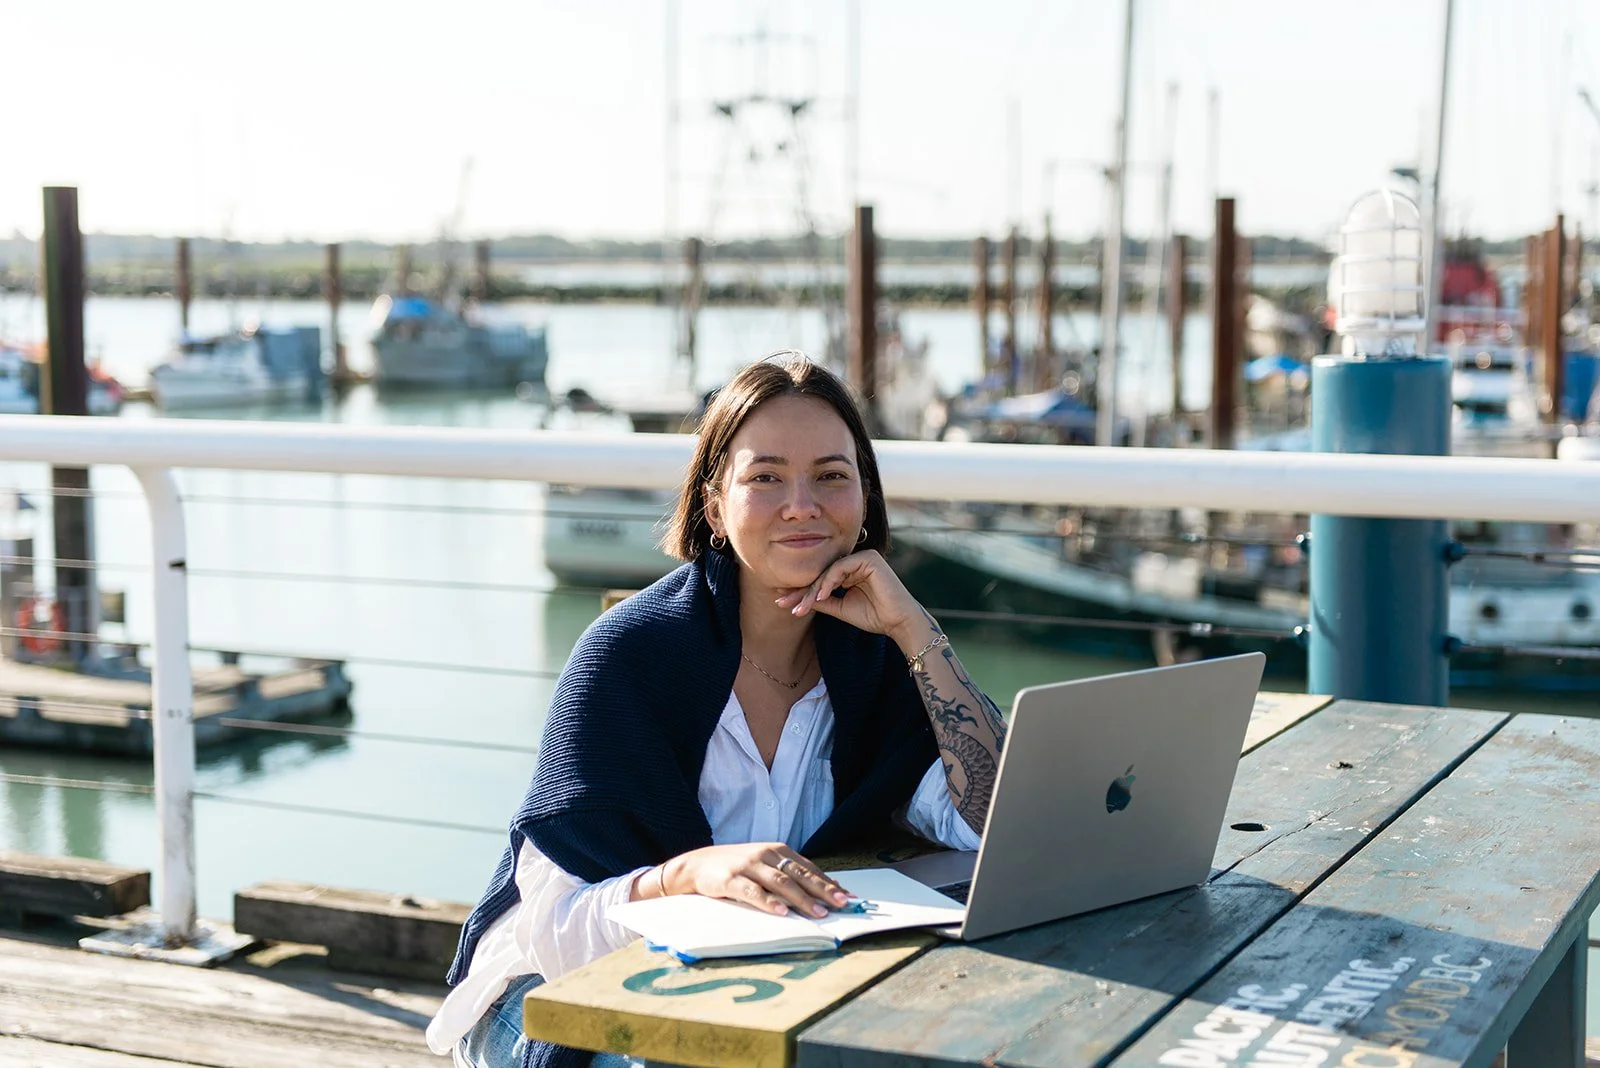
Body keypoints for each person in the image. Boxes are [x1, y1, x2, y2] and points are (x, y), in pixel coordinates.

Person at [427, 352, 1008, 1068]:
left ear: (865, 500)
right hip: (547, 1002)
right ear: (715, 507)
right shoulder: (628, 656)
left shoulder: (875, 664)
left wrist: (916, 630)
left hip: (746, 983)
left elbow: (994, 824)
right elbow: (557, 932)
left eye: (832, 475)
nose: (803, 504)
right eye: (766, 478)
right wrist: (688, 876)